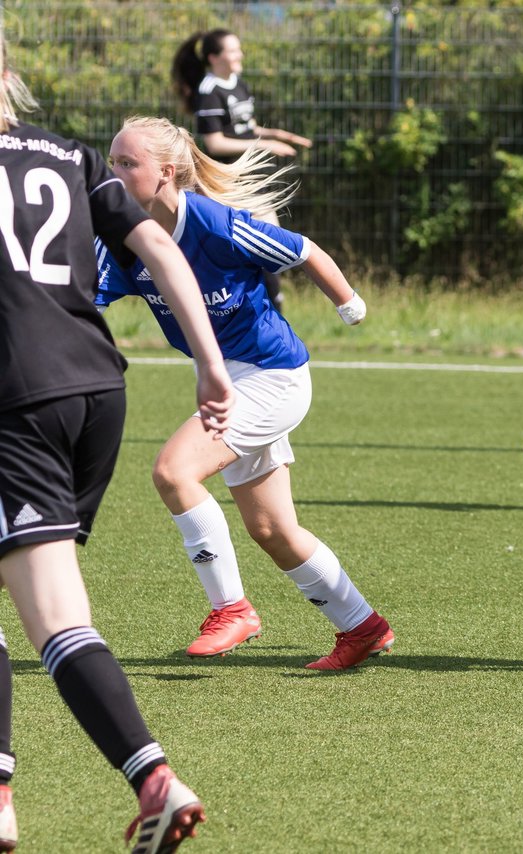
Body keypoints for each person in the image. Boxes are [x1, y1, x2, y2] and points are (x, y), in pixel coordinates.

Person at [0, 40, 234, 853]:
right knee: (23, 587)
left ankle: (155, 779)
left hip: (16, 399)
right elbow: (162, 248)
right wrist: (209, 364)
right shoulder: (67, 153)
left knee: (54, 615)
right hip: (96, 390)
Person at [96, 116, 393, 671]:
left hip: (272, 376)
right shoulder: (120, 237)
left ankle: (231, 608)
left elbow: (305, 251)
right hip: (226, 381)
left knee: (173, 472)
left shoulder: (214, 224)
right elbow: (80, 294)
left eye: (126, 164)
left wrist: (349, 304)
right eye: (111, 162)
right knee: (272, 530)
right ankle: (363, 628)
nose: (114, 173)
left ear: (165, 172)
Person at [172, 29, 313, 311]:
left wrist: (278, 134)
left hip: (246, 178)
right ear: (214, 58)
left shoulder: (238, 83)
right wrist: (267, 144)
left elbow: (246, 128)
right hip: (224, 179)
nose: (240, 55)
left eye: (239, 49)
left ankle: (263, 304)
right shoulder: (209, 91)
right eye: (233, 51)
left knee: (267, 243)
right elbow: (215, 142)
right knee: (266, 242)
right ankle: (266, 304)